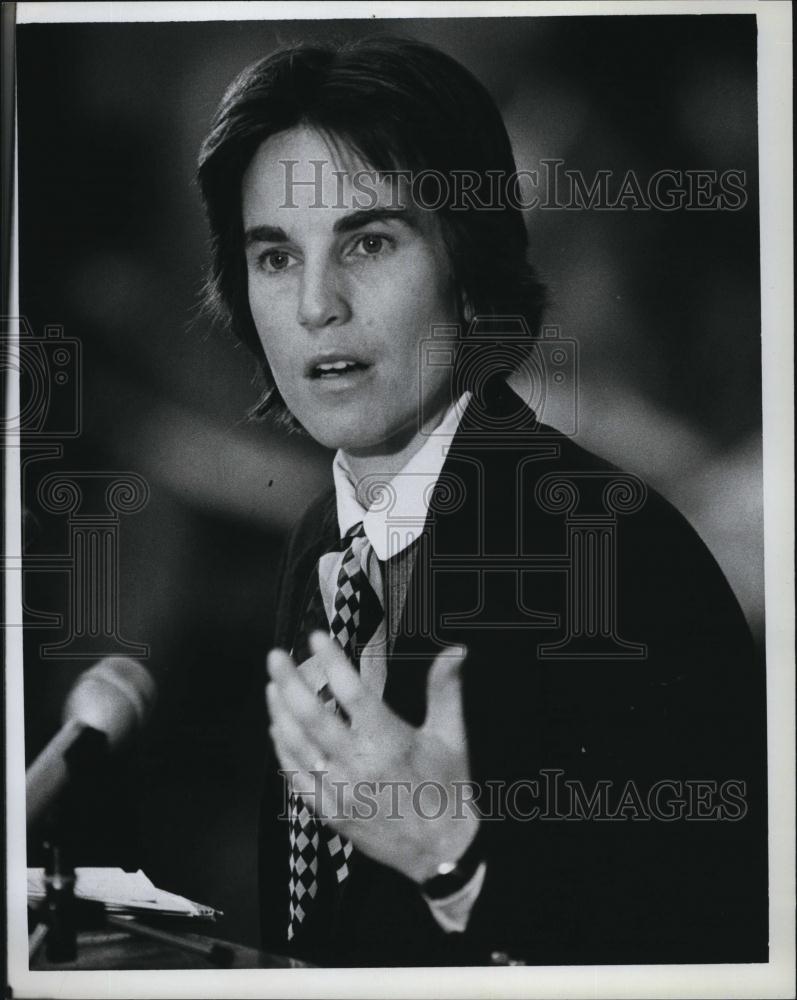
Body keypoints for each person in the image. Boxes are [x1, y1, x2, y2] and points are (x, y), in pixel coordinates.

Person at [197, 36, 767, 968]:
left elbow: (716, 950)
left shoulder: (615, 553)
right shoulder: (321, 544)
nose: (314, 306)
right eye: (272, 258)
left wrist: (453, 860)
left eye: (368, 243)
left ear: (469, 263)